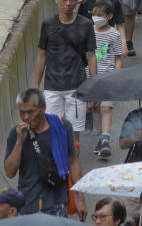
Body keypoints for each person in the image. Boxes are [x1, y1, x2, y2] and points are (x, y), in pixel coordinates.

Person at [5, 88, 84, 216]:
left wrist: (81, 200)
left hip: (57, 204)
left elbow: (73, 163)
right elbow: (9, 172)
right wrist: (19, 141)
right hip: (28, 206)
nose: (26, 117)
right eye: (22, 113)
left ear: (43, 108)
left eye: (30, 112)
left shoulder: (62, 127)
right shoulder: (16, 133)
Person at [35, 0, 97, 144]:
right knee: (53, 132)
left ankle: (72, 167)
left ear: (78, 0)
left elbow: (91, 55)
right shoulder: (47, 25)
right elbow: (42, 55)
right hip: (52, 88)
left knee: (74, 135)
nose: (68, 3)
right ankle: (57, 167)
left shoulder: (86, 24)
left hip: (77, 88)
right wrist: (36, 86)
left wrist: (93, 86)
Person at [88, 0, 124, 159]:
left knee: (106, 108)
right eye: (94, 14)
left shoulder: (114, 34)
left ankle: (105, 140)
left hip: (108, 77)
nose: (96, 17)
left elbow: (118, 58)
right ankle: (99, 136)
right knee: (94, 108)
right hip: (90, 77)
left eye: (100, 15)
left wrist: (117, 77)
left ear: (109, 16)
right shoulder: (88, 31)